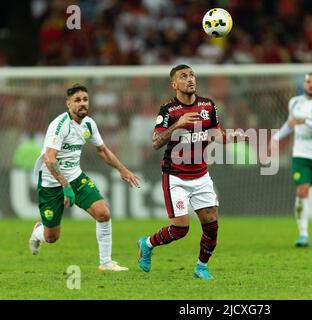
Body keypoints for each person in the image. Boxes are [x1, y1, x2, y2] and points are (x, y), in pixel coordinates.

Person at [137, 64, 246, 279]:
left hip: (201, 175)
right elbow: (155, 142)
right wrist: (178, 125)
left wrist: (232, 137)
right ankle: (146, 244)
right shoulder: (168, 110)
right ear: (174, 84)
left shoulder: (207, 105)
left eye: (192, 75)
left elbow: (216, 134)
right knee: (180, 229)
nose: (190, 79)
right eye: (183, 76)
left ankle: (201, 267)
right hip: (175, 176)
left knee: (212, 225)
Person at [29, 84, 141, 271]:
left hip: (75, 177)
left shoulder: (89, 124)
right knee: (52, 237)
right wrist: (65, 186)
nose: (82, 104)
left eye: (85, 100)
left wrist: (123, 170)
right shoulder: (60, 125)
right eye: (77, 100)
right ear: (68, 103)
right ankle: (38, 232)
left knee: (103, 213)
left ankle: (106, 263)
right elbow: (49, 159)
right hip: (51, 182)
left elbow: (102, 150)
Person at [270, 73, 312, 249]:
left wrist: (304, 121)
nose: (311, 85)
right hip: (301, 155)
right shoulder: (295, 102)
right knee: (301, 191)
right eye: (308, 82)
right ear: (304, 84)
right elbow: (290, 123)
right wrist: (276, 138)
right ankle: (303, 235)